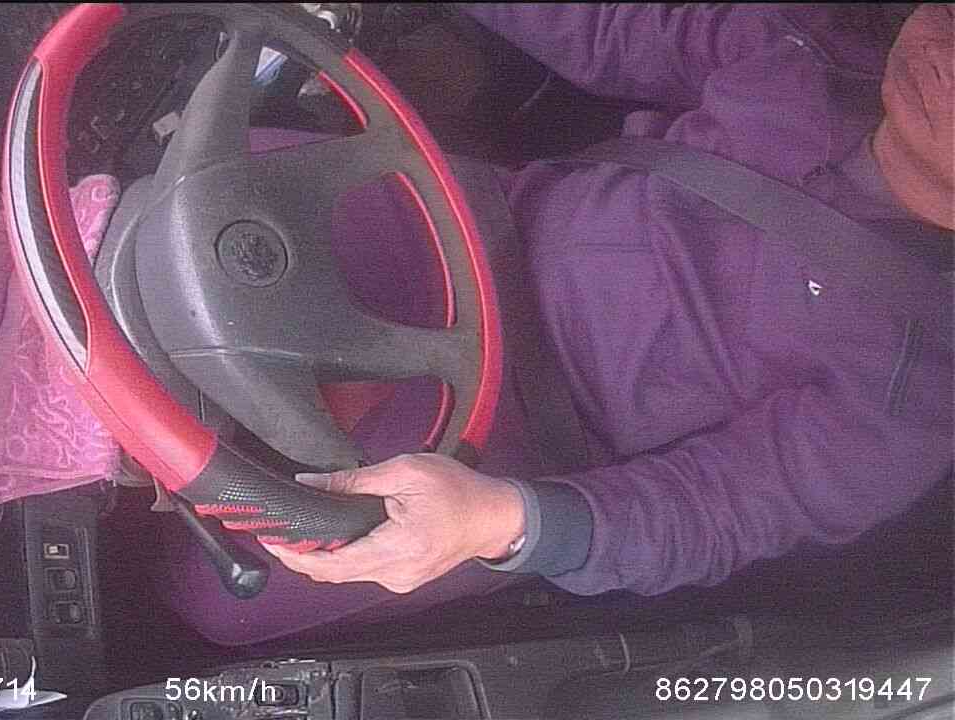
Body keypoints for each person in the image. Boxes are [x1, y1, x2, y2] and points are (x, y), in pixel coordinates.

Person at [263, 3, 953, 599]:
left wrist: (497, 521)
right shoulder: (810, 49)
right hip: (449, 219)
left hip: (492, 430)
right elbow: (602, 25)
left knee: (232, 570)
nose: (946, 57)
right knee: (204, 192)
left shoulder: (921, 389)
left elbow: (713, 511)